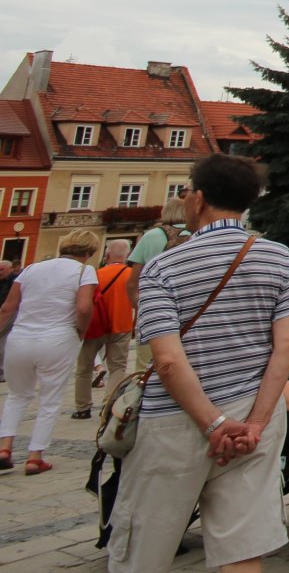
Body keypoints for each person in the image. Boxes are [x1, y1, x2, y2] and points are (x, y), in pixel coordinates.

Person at [107, 154, 289, 573]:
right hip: (253, 417)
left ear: (198, 199)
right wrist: (256, 422)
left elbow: (167, 361)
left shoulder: (163, 266)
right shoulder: (279, 257)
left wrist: (212, 423)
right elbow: (287, 344)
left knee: (145, 545)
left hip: (177, 418)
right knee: (242, 547)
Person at [0, 229, 100, 474]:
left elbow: (8, 308)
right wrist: (81, 331)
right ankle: (35, 456)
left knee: (16, 395)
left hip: (21, 337)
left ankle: (4, 447)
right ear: (89, 251)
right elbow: (84, 307)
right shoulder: (84, 271)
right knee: (50, 399)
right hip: (58, 337)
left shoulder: (31, 269)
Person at [74, 238, 136, 420]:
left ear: (107, 255)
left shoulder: (95, 274)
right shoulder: (132, 275)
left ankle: (82, 407)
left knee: (84, 367)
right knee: (118, 367)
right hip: (121, 324)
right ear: (127, 256)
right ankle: (109, 404)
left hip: (95, 325)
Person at [127, 197, 189, 371]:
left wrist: (141, 305)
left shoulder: (152, 236)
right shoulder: (197, 234)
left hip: (154, 311)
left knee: (145, 368)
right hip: (188, 312)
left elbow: (132, 282)